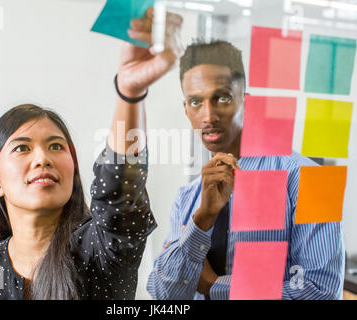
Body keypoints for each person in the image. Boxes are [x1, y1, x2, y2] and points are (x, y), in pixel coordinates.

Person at [0, 7, 183, 300]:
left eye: (56, 146)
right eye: (22, 147)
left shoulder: (99, 249)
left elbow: (119, 189)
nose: (42, 158)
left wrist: (129, 92)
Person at [147, 40, 344, 300]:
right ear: (186, 109)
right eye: (196, 102)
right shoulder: (188, 198)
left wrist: (216, 286)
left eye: (222, 97)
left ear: (246, 101)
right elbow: (164, 294)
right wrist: (203, 218)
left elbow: (322, 292)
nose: (208, 115)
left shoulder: (310, 179)